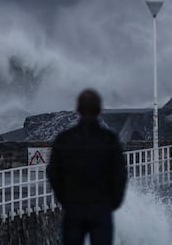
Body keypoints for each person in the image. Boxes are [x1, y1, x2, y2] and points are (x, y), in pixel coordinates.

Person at [47, 89, 127, 245]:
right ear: (100, 110)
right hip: (101, 208)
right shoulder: (109, 139)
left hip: (73, 207)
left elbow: (53, 172)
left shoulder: (65, 139)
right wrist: (113, 202)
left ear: (77, 109)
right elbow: (120, 174)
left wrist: (64, 198)